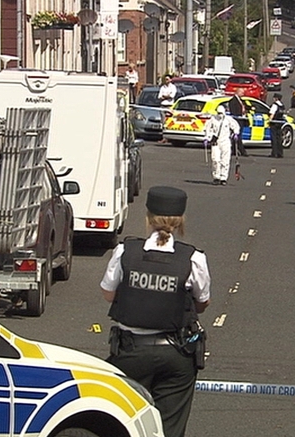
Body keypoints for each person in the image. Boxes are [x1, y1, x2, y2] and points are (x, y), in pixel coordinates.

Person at [100, 186, 211, 437]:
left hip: (130, 352)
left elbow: (108, 293)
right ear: (181, 220)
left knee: (124, 420)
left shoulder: (125, 251)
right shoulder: (193, 258)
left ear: (148, 217)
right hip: (176, 353)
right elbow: (202, 302)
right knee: (169, 427)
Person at [204, 105, 241, 185]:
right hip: (216, 142)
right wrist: (207, 137)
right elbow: (207, 129)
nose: (220, 115)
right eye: (219, 113)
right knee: (215, 160)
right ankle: (216, 177)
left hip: (225, 142)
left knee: (225, 161)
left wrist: (236, 133)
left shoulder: (228, 119)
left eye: (221, 113)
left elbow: (236, 126)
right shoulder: (213, 119)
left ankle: (223, 177)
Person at [226, 88, 250, 157]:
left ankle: (234, 150)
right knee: (238, 136)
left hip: (241, 120)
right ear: (237, 92)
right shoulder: (233, 101)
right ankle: (242, 151)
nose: (243, 94)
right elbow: (233, 112)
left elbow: (246, 107)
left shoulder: (241, 100)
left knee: (236, 136)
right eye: (242, 92)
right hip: (237, 120)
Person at [157, 75, 177, 144]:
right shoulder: (162, 87)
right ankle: (164, 138)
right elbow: (159, 97)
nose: (166, 81)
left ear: (171, 80)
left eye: (167, 79)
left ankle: (171, 138)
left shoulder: (173, 87)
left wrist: (165, 96)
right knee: (163, 123)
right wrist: (167, 96)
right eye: (165, 79)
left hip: (170, 106)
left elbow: (172, 96)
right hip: (163, 106)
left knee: (170, 122)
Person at [268, 93, 286, 158]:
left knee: (274, 139)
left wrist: (269, 121)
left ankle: (274, 153)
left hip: (274, 123)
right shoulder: (282, 105)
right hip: (280, 123)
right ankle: (280, 153)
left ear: (276, 98)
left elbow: (272, 114)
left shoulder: (274, 105)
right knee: (279, 139)